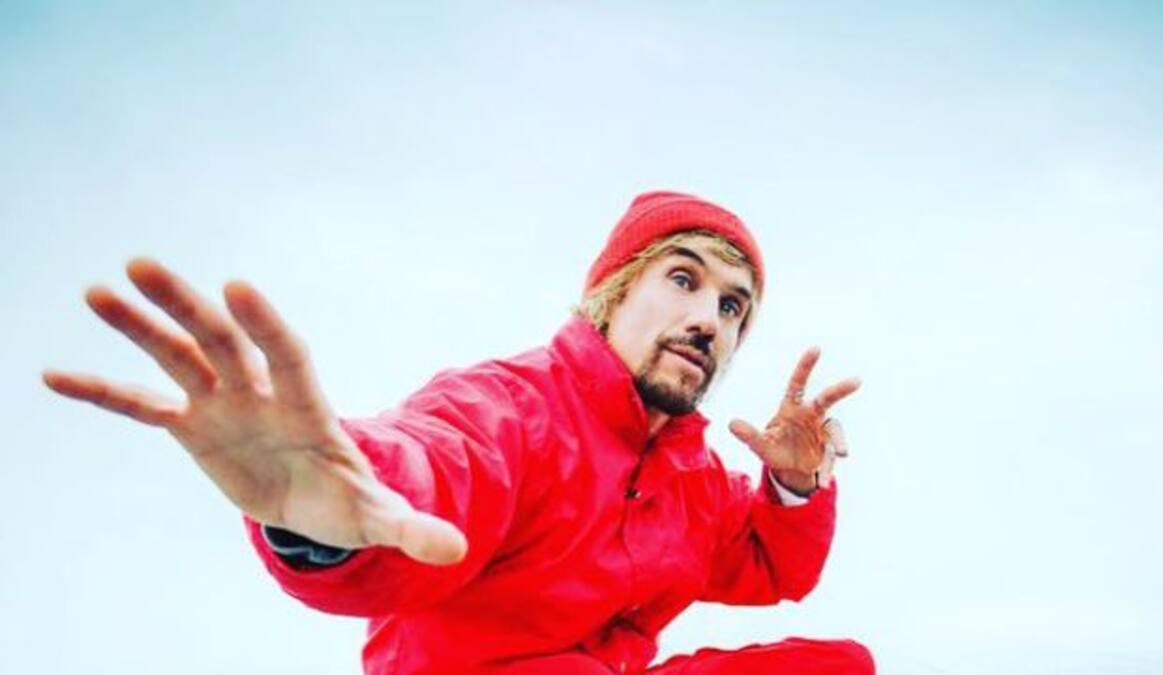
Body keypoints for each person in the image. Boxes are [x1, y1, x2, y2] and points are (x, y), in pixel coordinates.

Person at [43, 190, 874, 674]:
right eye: (684, 280)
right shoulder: (512, 407)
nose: (708, 320)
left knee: (838, 667)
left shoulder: (692, 480)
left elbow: (767, 561)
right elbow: (435, 462)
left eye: (732, 307)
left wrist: (793, 486)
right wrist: (327, 510)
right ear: (614, 294)